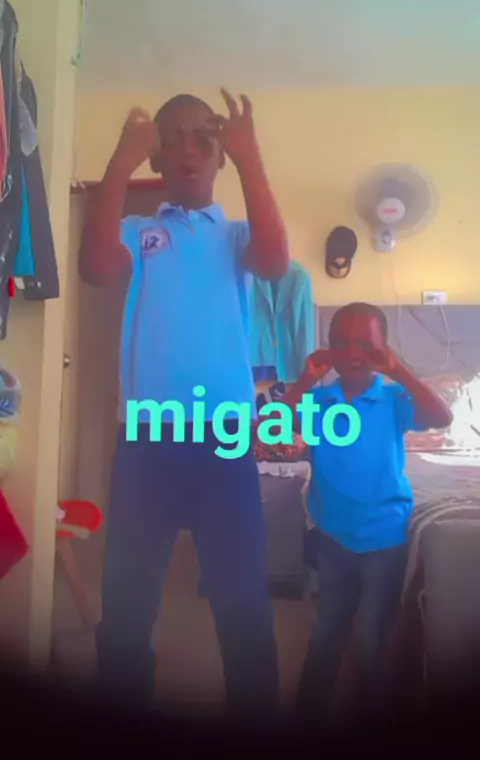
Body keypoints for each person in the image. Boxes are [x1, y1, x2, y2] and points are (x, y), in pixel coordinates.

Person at [78, 90, 289, 717]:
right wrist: (120, 161)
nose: (188, 150)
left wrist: (252, 159)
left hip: (225, 442)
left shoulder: (237, 236)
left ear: (221, 155)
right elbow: (95, 268)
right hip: (148, 442)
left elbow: (275, 263)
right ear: (156, 159)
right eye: (171, 140)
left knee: (243, 604)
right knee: (127, 604)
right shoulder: (139, 231)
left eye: (204, 138)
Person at [270, 302, 453, 720]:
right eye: (342, 343)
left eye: (365, 345)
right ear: (328, 347)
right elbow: (271, 428)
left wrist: (399, 371)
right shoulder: (320, 400)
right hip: (333, 537)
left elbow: (442, 416)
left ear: (383, 348)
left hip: (385, 539)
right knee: (326, 634)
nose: (353, 353)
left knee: (371, 642)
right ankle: (307, 716)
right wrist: (305, 379)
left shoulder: (393, 397)